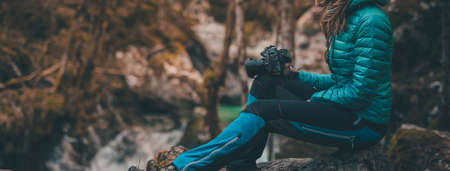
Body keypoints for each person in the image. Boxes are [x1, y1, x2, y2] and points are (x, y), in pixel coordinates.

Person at [152, 0, 392, 170]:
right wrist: (295, 76)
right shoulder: (347, 15)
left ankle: (184, 167)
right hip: (346, 108)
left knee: (263, 112)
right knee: (267, 82)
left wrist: (313, 101)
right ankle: (241, 165)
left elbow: (360, 92)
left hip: (362, 124)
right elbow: (341, 81)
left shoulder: (371, 21)